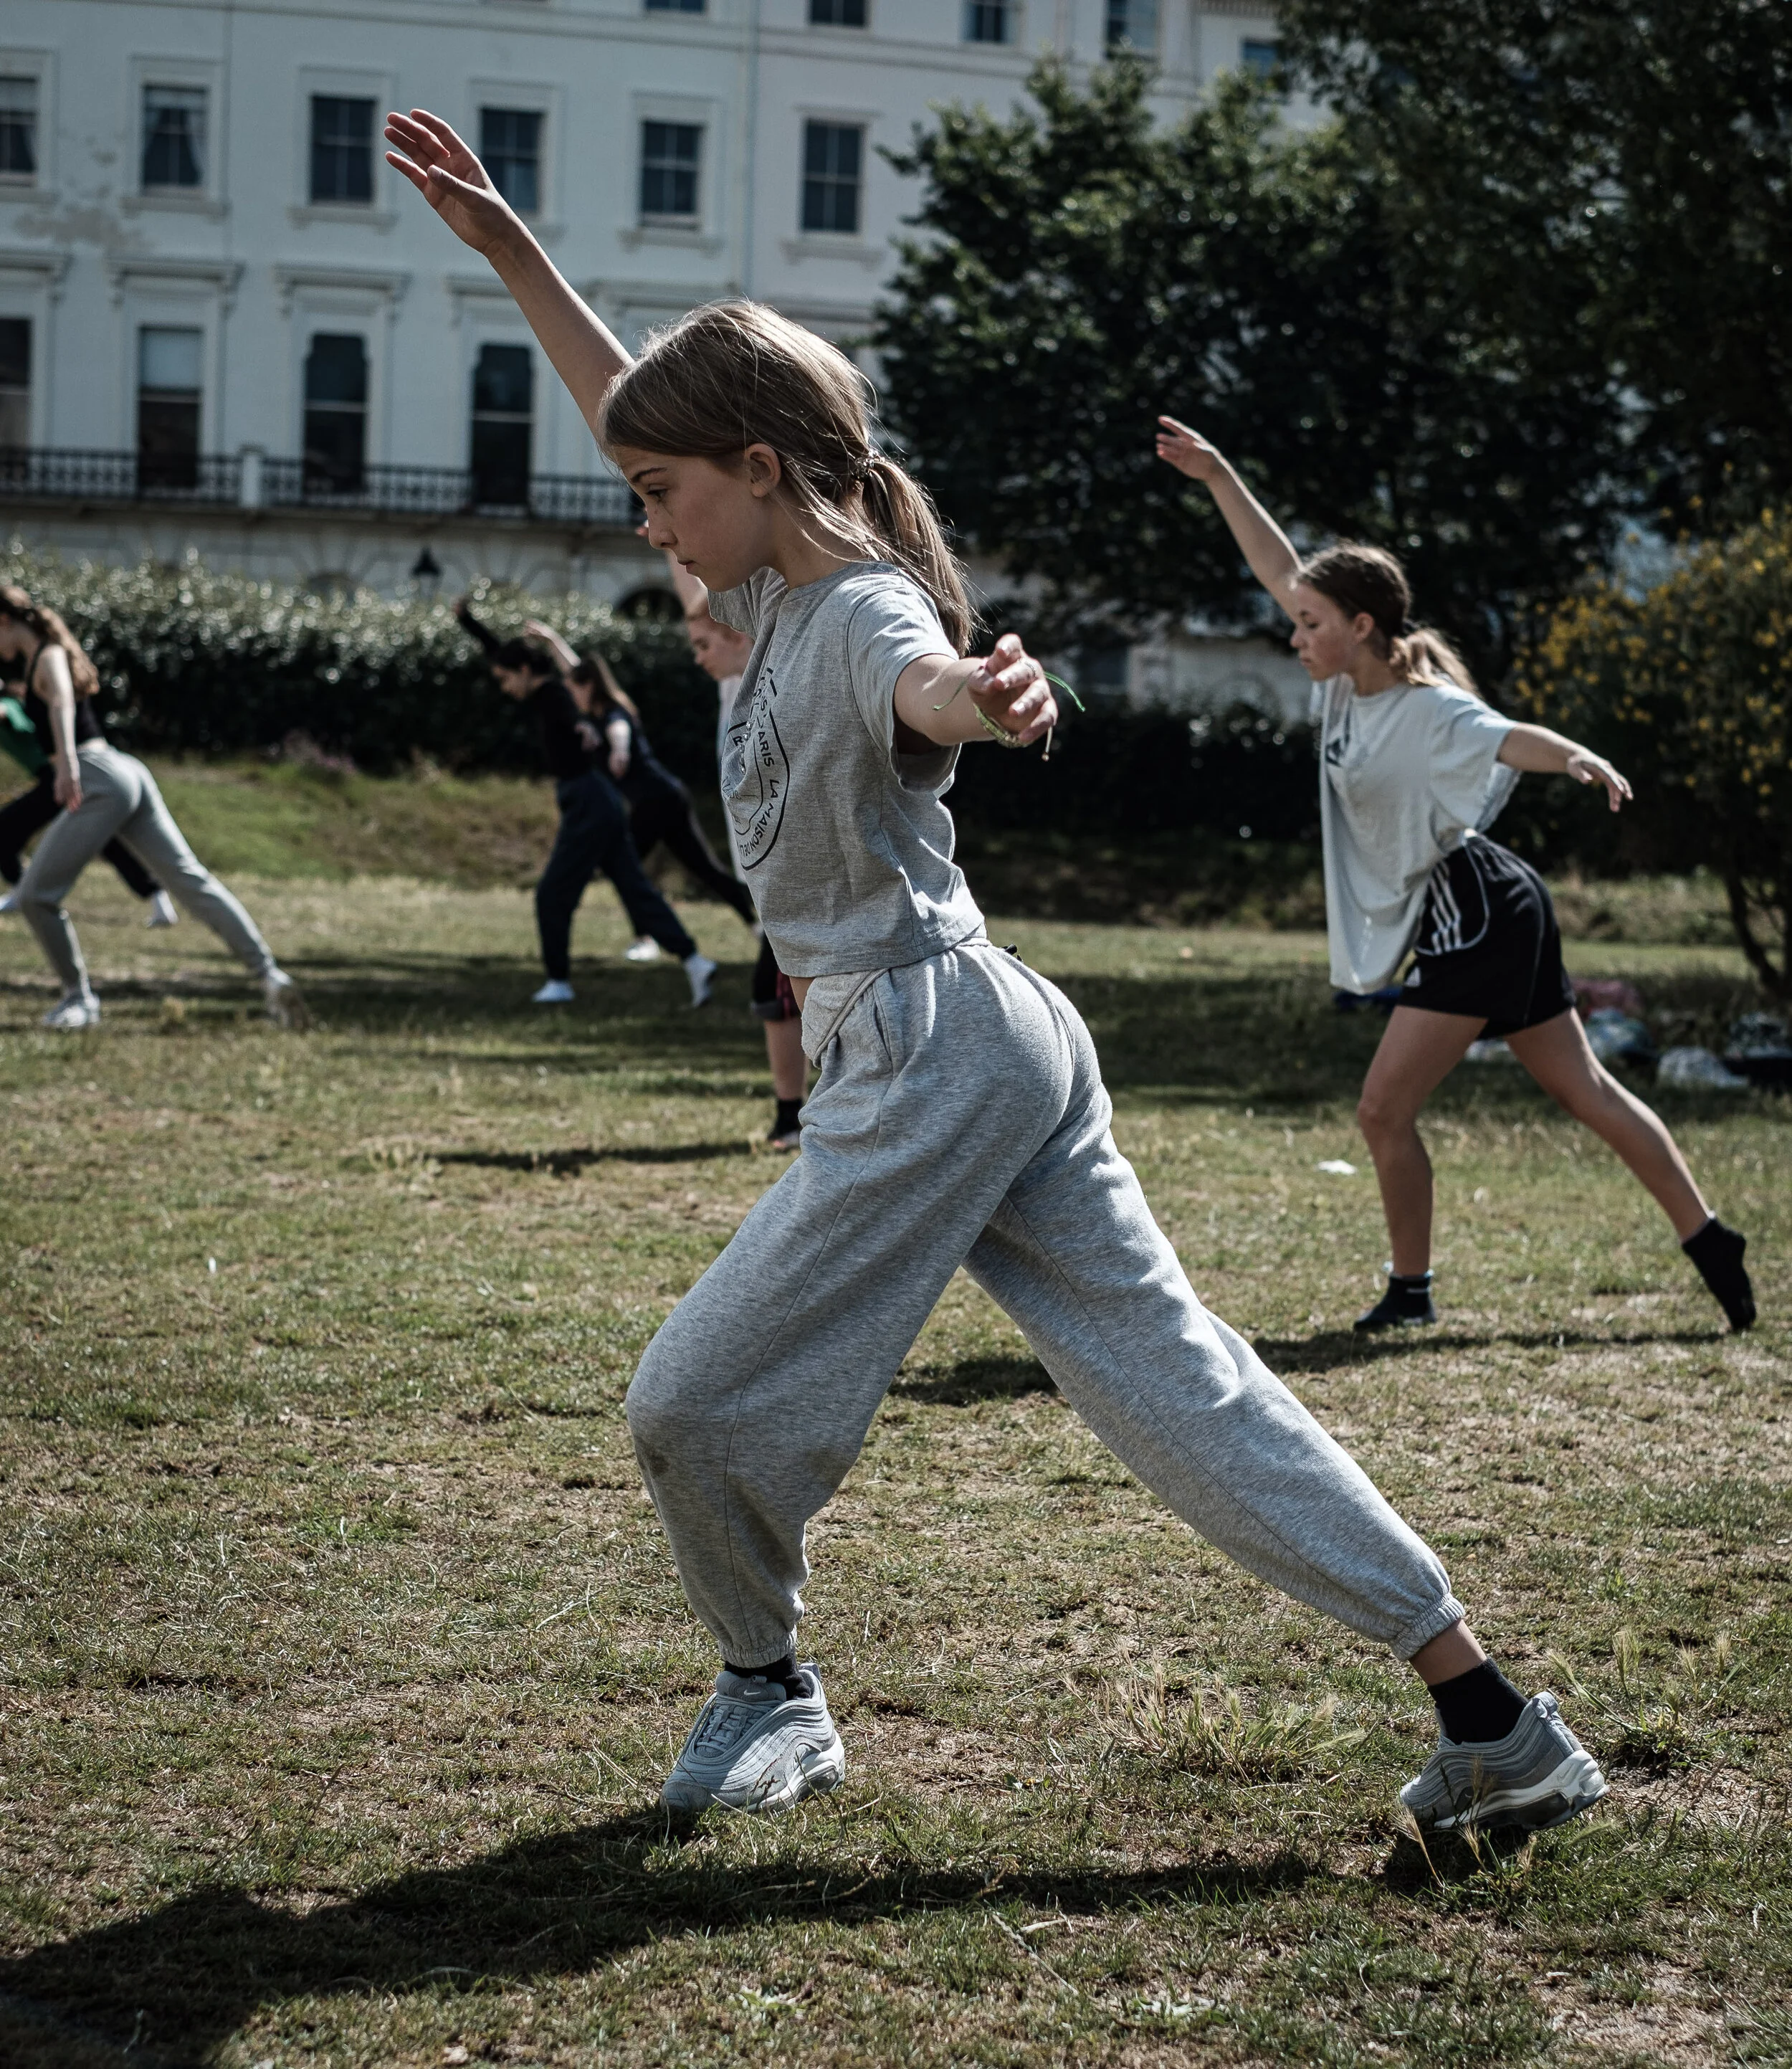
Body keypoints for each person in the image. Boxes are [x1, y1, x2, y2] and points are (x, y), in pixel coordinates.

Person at [389, 103, 1611, 1837]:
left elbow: (931, 684)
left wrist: (990, 698)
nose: (646, 521)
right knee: (1179, 1387)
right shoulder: (763, 560)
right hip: (989, 1026)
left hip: (928, 1042)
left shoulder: (867, 610)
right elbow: (636, 407)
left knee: (686, 1404)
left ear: (759, 469)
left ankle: (767, 1690)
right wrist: (510, 243)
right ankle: (1492, 1719)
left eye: (663, 493)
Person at [1154, 415, 1755, 1337]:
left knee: (1382, 1107)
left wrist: (1579, 757)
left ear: (1360, 628)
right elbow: (1282, 570)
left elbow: (1508, 736)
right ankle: (1711, 1239)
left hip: (1473, 909)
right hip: (1488, 902)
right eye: (1297, 621)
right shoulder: (1338, 682)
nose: (1293, 633)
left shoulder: (1430, 710)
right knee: (1581, 1090)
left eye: (1311, 624)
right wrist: (1218, 474)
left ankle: (1411, 1290)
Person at [0, 584, 306, 1032]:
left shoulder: (47, 656)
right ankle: (271, 975)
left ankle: (79, 1000)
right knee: (190, 880)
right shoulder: (39, 658)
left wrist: (65, 765)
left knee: (36, 897)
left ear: (4, 621)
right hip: (125, 771)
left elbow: (63, 700)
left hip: (95, 775)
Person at [453, 599, 717, 1009]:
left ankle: (558, 981)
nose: (505, 688)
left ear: (525, 672)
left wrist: (585, 730)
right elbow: (500, 653)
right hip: (600, 801)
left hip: (588, 803)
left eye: (506, 679)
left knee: (551, 895)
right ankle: (695, 960)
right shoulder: (544, 691)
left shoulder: (555, 695)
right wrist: (468, 622)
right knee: (634, 889)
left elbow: (577, 716)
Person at [659, 555, 809, 1150]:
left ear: (739, 636)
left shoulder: (767, 675)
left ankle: (798, 1118)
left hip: (791, 874)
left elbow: (714, 603)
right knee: (788, 1002)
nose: (698, 656)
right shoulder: (732, 685)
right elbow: (698, 594)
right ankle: (802, 1117)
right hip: (768, 878)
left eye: (704, 645)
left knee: (781, 1001)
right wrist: (673, 539)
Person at [0, 685, 179, 928]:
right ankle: (159, 900)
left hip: (60, 777)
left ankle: (23, 893)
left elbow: (6, 714)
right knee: (107, 842)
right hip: (52, 778)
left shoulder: (10, 705)